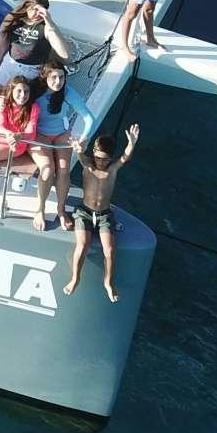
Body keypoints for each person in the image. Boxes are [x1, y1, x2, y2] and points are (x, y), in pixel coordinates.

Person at [65, 124, 140, 303]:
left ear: (110, 159)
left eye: (105, 160)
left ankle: (108, 282)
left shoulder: (112, 169)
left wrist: (132, 143)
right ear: (94, 153)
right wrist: (79, 148)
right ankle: (75, 278)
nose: (101, 163)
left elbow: (126, 157)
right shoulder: (88, 165)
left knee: (110, 249)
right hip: (84, 212)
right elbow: (81, 155)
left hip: (104, 215)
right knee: (82, 245)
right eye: (98, 158)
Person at [34, 60, 94, 232]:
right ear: (44, 77)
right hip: (39, 134)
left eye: (61, 77)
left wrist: (84, 138)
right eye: (53, 77)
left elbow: (89, 118)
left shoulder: (68, 92)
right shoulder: (35, 91)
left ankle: (61, 210)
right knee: (49, 170)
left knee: (64, 170)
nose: (58, 82)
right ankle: (40, 209)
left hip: (61, 133)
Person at [0, 0, 72, 86]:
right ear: (27, 6)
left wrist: (50, 23)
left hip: (31, 71)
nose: (38, 14)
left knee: (22, 98)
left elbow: (66, 56)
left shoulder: (46, 27)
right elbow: (0, 47)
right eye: (35, 9)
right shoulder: (14, 20)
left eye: (42, 10)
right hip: (10, 64)